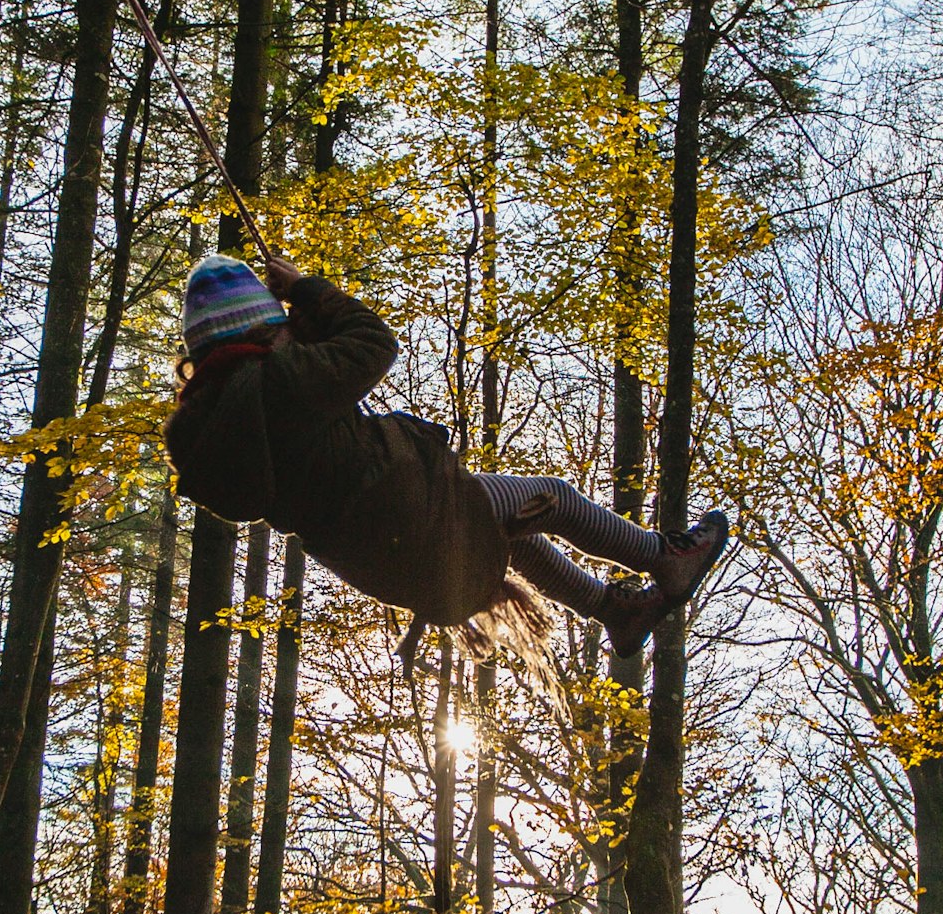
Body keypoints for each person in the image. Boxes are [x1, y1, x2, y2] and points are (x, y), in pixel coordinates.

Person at [163, 247, 729, 646]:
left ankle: (616, 611)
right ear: (261, 333)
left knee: (514, 530)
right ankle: (663, 559)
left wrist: (298, 333)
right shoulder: (284, 379)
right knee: (551, 500)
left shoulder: (215, 430)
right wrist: (307, 289)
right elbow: (374, 342)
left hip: (381, 560)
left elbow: (305, 428)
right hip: (413, 510)